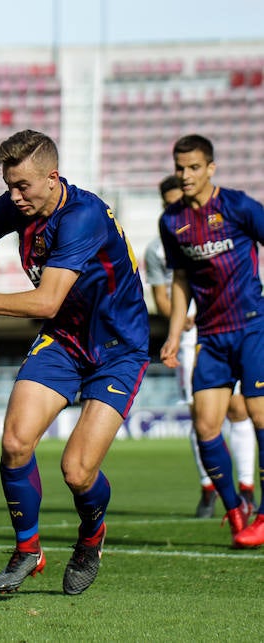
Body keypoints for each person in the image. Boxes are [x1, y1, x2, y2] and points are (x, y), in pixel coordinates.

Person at [0, 130, 149, 595]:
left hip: (117, 348)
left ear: (52, 177)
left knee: (77, 471)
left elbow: (46, 301)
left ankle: (91, 536)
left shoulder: (83, 216)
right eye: (8, 184)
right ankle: (29, 550)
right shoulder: (14, 206)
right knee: (14, 443)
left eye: (22, 185)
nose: (13, 195)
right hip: (65, 342)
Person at [158, 134, 264, 547]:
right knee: (205, 427)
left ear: (210, 168)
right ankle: (236, 511)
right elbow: (180, 278)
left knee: (259, 419)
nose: (185, 175)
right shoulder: (172, 222)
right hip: (212, 337)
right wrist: (172, 333)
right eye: (180, 167)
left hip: (253, 327)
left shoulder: (237, 205)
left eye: (194, 167)